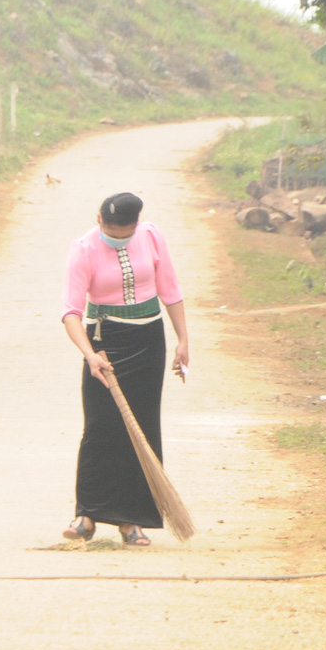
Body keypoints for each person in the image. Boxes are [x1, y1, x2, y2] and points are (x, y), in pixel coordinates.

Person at [59, 192, 190, 546]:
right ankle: (86, 514)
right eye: (112, 231)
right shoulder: (83, 248)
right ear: (98, 219)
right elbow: (71, 312)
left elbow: (171, 290)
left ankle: (132, 520)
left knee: (142, 426)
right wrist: (91, 355)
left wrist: (182, 340)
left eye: (124, 232)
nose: (118, 238)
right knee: (101, 427)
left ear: (136, 224)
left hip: (148, 340)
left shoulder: (150, 235)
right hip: (105, 341)